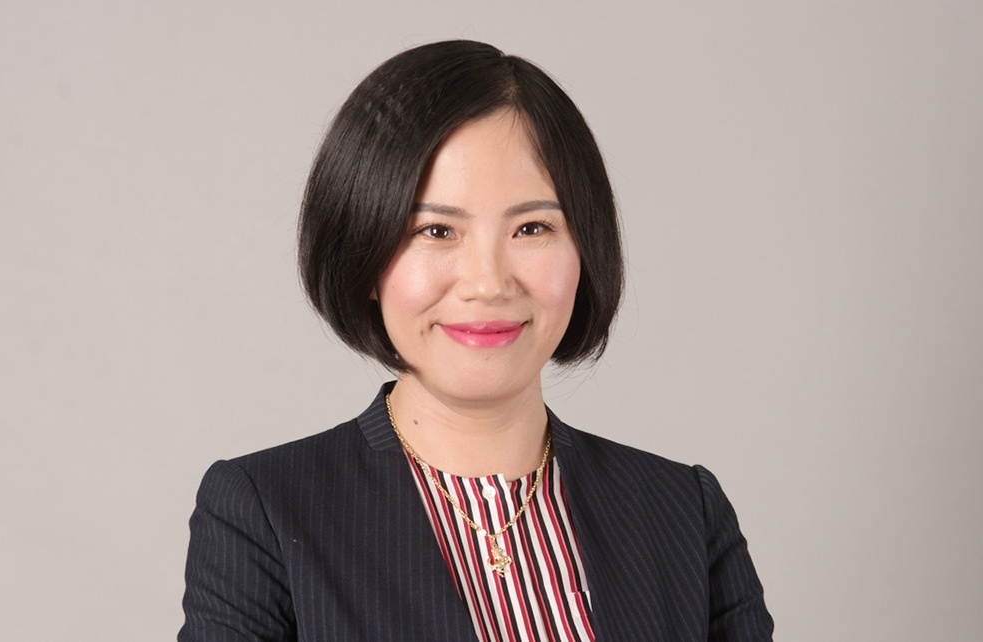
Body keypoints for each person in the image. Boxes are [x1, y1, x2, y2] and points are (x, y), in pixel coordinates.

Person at [179, 40, 774, 642]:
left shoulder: (684, 512)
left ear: (586, 248)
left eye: (532, 227)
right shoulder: (264, 512)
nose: (489, 284)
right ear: (363, 254)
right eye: (436, 231)